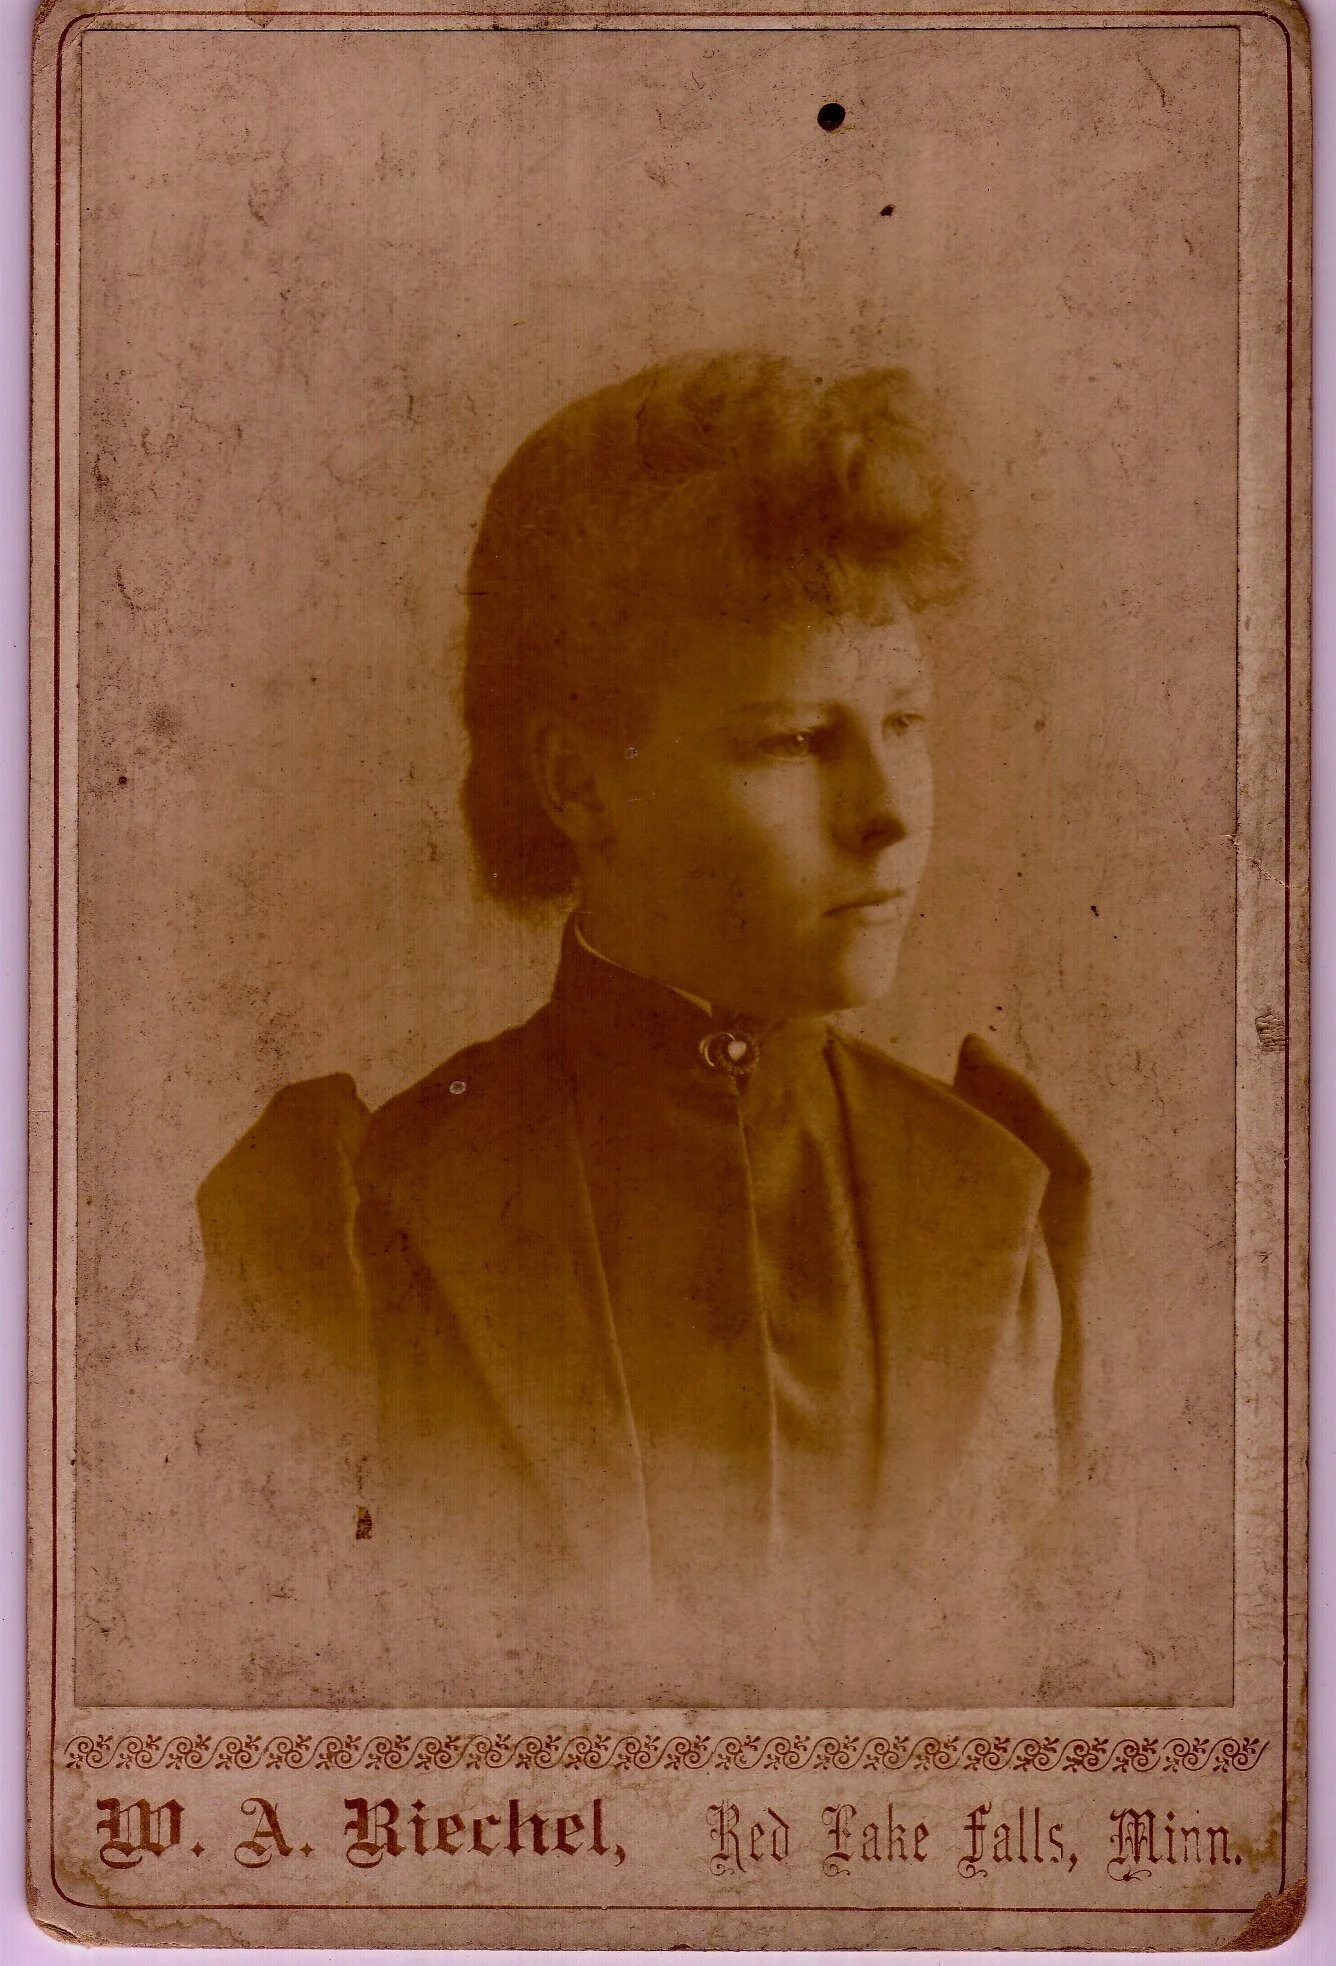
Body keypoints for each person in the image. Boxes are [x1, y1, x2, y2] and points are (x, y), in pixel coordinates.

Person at [190, 352, 1090, 1707]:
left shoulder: (991, 1206)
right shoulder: (360, 1221)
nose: (889, 810)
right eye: (796, 739)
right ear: (578, 783)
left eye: (905, 720)